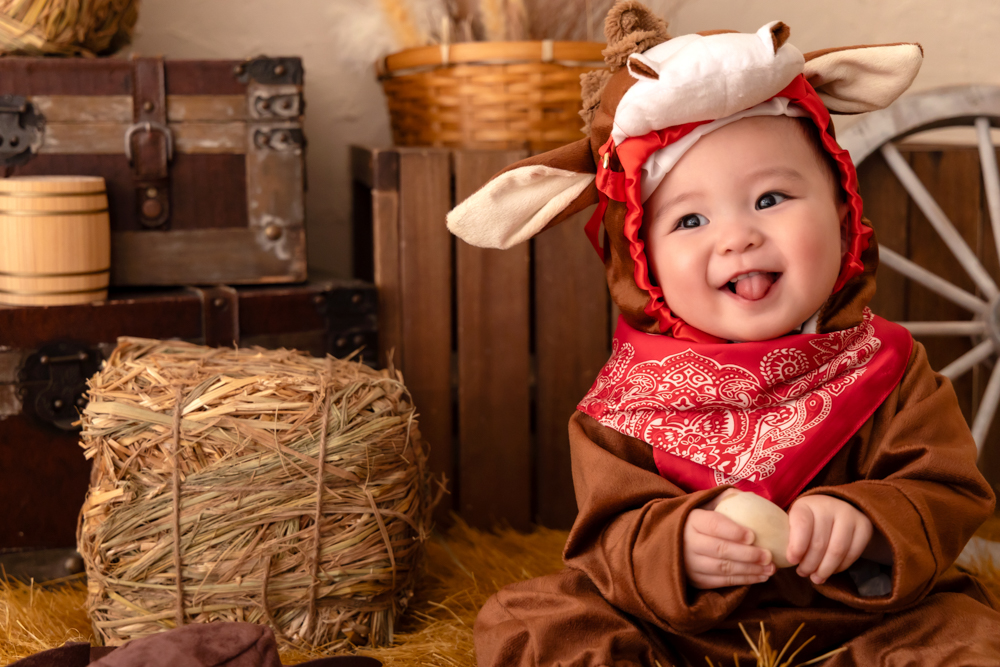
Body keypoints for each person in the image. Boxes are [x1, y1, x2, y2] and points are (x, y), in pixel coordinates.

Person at [446, 2, 1000, 664]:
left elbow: (948, 489)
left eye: (770, 199)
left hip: (859, 622)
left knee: (967, 633)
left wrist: (872, 520)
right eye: (689, 221)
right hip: (681, 632)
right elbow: (607, 536)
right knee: (532, 623)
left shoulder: (889, 368)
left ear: (842, 210)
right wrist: (675, 545)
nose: (738, 236)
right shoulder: (625, 406)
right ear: (642, 261)